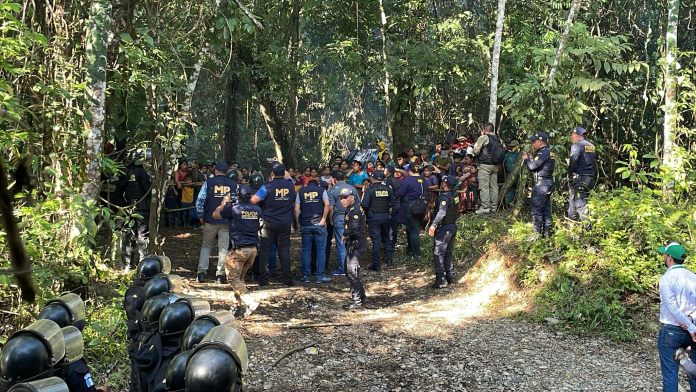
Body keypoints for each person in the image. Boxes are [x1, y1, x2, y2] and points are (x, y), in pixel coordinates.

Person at [214, 186, 262, 316]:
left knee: (233, 279)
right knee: (240, 278)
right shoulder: (257, 209)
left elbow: (216, 215)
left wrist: (223, 204)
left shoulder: (234, 208)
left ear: (238, 196)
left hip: (240, 250)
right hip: (253, 250)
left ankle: (250, 302)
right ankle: (236, 306)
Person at [656, 242, 696, 392]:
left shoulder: (667, 278)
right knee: (694, 375)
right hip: (693, 331)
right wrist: (692, 324)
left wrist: (689, 325)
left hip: (672, 331)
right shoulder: (693, 277)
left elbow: (672, 307)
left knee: (671, 375)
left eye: (664, 254)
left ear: (669, 258)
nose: (663, 257)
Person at [251, 163, 296, 286]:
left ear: (272, 174)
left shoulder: (267, 187)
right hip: (285, 223)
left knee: (264, 250)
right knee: (284, 251)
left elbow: (253, 200)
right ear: (284, 173)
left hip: (268, 222)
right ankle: (287, 279)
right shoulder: (291, 186)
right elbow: (289, 178)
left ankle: (263, 279)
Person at [194, 161, 237, 284]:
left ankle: (201, 273)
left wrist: (201, 216)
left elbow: (199, 202)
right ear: (227, 171)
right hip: (226, 221)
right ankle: (220, 275)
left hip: (210, 220)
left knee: (206, 246)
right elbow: (236, 203)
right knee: (223, 248)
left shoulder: (209, 183)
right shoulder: (234, 185)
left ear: (216, 170)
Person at [294, 178, 332, 283]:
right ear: (317, 184)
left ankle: (306, 276)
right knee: (321, 251)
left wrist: (297, 223)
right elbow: (327, 204)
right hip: (319, 224)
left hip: (306, 224)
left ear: (307, 184)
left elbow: (296, 209)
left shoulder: (301, 191)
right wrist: (324, 219)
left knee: (306, 250)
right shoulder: (322, 191)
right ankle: (320, 276)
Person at [121, 152, 151, 270]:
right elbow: (147, 189)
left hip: (128, 207)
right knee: (142, 236)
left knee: (129, 235)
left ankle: (127, 264)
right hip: (141, 207)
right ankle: (143, 263)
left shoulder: (126, 172)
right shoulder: (141, 173)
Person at [427, 176, 459, 288]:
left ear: (445, 184)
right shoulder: (455, 195)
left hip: (444, 228)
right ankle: (450, 277)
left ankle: (441, 280)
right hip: (452, 226)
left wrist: (433, 225)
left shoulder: (444, 197)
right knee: (448, 253)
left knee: (438, 253)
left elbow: (441, 212)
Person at [339, 188, 367, 311]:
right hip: (354, 244)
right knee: (348, 270)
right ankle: (361, 295)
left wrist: (345, 234)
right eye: (341, 198)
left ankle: (357, 302)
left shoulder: (354, 209)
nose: (342, 200)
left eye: (345, 198)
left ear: (352, 197)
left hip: (357, 244)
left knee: (352, 272)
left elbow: (354, 227)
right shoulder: (351, 208)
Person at [360, 171, 394, 271]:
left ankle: (376, 264)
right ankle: (389, 260)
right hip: (386, 216)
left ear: (373, 178)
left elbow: (364, 204)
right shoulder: (388, 189)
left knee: (376, 241)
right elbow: (393, 203)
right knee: (386, 238)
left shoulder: (370, 190)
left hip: (374, 217)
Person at [523, 132, 555, 238]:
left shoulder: (543, 152)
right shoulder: (549, 151)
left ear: (540, 142)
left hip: (542, 184)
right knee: (545, 210)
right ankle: (547, 234)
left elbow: (532, 167)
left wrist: (527, 159)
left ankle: (536, 235)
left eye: (534, 142)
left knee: (536, 210)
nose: (533, 144)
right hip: (547, 183)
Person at [328, 171, 359, 276]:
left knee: (341, 243)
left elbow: (331, 207)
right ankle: (353, 266)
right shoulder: (352, 188)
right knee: (352, 242)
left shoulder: (333, 190)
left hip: (339, 217)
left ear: (335, 179)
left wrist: (331, 219)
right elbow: (357, 204)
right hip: (352, 217)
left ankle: (342, 269)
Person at [473, 122, 505, 214]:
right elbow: (504, 150)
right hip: (495, 166)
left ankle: (485, 207)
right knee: (494, 187)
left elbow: (476, 151)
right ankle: (493, 207)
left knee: (484, 187)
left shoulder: (483, 137)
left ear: (485, 129)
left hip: (485, 166)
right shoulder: (499, 139)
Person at [396, 165, 426, 258]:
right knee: (413, 228)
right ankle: (410, 250)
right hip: (421, 206)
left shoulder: (407, 180)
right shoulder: (423, 179)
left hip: (410, 206)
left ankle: (416, 254)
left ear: (409, 171)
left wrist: (395, 196)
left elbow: (400, 193)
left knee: (413, 231)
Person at [567, 126, 597, 222]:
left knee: (580, 205)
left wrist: (569, 173)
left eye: (572, 136)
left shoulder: (576, 146)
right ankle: (574, 227)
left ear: (576, 135)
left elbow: (574, 160)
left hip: (580, 179)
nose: (571, 138)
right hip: (590, 178)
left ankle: (586, 230)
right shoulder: (591, 146)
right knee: (576, 202)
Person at [503, 140, 521, 206]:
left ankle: (516, 203)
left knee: (518, 188)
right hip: (509, 174)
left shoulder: (521, 154)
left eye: (513, 146)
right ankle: (509, 203)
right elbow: (503, 164)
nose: (512, 148)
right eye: (511, 146)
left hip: (518, 174)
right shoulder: (507, 155)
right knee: (510, 188)